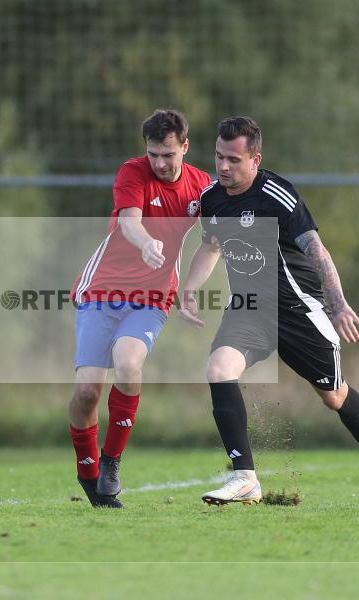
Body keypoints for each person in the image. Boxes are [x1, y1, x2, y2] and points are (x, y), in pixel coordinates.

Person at [178, 116, 359, 506]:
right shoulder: (211, 198)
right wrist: (189, 288)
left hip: (298, 311)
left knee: (333, 396)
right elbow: (210, 246)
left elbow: (316, 249)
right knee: (218, 370)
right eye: (218, 156)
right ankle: (245, 477)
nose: (223, 167)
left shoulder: (276, 195)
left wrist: (339, 304)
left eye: (233, 159)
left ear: (255, 160)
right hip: (248, 310)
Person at [68, 109, 212, 508]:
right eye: (153, 155)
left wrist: (191, 289)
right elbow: (130, 222)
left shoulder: (203, 188)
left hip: (152, 297)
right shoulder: (132, 173)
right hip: (101, 290)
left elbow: (213, 243)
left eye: (168, 154)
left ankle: (112, 461)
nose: (161, 163)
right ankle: (88, 471)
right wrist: (146, 241)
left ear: (185, 146)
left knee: (129, 363)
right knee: (86, 391)